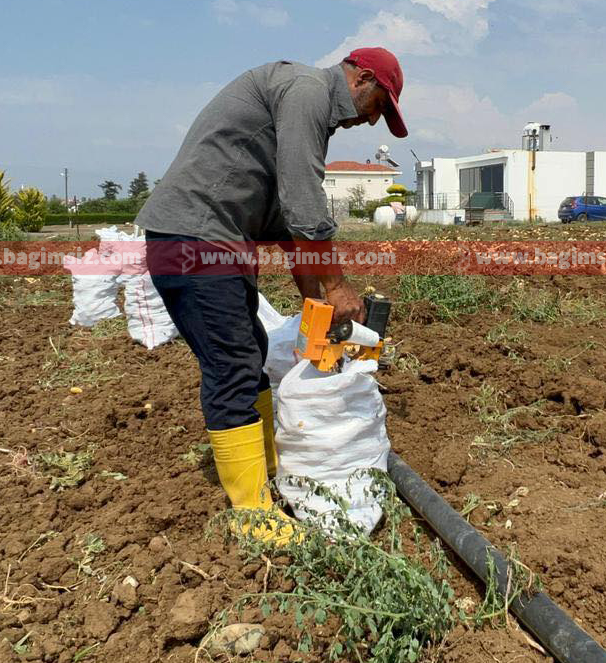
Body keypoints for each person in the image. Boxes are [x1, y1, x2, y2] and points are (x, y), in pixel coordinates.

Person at [135, 48, 406, 545]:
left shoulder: (304, 107)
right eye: (378, 107)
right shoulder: (305, 92)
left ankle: (269, 468)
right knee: (233, 363)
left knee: (251, 350)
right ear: (362, 79)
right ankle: (252, 513)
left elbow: (289, 226)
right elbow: (304, 200)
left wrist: (316, 309)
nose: (371, 122)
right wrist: (337, 286)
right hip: (193, 239)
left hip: (216, 242)